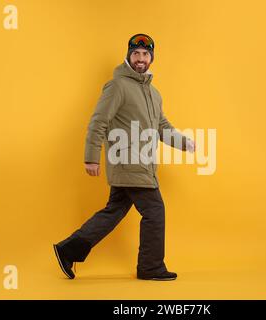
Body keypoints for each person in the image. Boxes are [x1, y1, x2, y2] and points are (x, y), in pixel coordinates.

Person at [53, 33, 195, 281]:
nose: (141, 58)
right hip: (130, 163)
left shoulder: (153, 93)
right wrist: (91, 156)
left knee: (114, 210)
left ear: (151, 58)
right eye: (136, 53)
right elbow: (99, 121)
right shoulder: (117, 85)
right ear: (128, 56)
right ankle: (150, 267)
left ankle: (68, 249)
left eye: (145, 54)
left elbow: (162, 127)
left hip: (141, 164)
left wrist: (185, 143)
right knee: (154, 211)